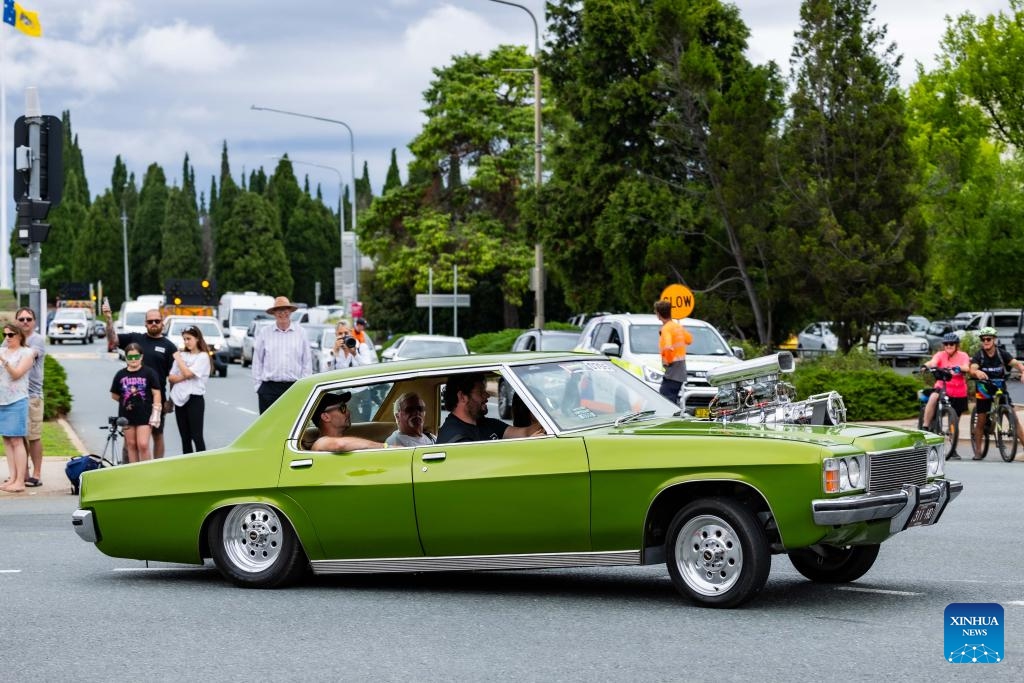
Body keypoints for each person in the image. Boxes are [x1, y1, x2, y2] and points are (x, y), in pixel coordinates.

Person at [103, 302, 177, 458]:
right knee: (130, 441)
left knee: (157, 435)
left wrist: (171, 400)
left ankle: (156, 467)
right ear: (146, 323)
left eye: (157, 321)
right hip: (133, 402)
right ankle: (127, 468)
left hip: (157, 399)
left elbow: (173, 377)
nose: (154, 324)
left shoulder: (169, 346)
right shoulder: (134, 339)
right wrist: (109, 318)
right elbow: (113, 340)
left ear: (162, 322)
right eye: (150, 321)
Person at [437, 373, 544, 443]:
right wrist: (529, 444)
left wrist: (554, 421)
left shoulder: (487, 424)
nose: (487, 396)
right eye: (481, 392)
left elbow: (524, 433)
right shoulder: (455, 437)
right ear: (462, 397)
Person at [969, 326, 1024, 459]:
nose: (985, 341)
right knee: (981, 419)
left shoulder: (1001, 354)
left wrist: (1023, 371)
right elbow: (972, 368)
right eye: (983, 339)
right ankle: (978, 450)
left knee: (1014, 418)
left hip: (1000, 386)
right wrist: (976, 372)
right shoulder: (979, 355)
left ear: (994, 340)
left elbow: (1016, 364)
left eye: (988, 339)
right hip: (984, 388)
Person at [251, 296, 312, 413]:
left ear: (290, 312)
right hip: (269, 388)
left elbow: (307, 362)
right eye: (279, 310)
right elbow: (257, 361)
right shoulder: (265, 332)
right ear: (274, 313)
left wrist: (304, 386)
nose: (283, 313)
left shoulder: (301, 333)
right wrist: (258, 386)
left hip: (294, 387)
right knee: (268, 427)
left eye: (285, 310)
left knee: (292, 426)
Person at [0, 322, 38, 493]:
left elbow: (16, 374)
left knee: (17, 440)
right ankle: (13, 478)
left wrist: (4, 361)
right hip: (2, 400)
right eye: (4, 335)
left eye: (10, 335)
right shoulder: (3, 351)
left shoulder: (27, 353)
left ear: (19, 336)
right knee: (7, 440)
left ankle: (21, 481)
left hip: (17, 400)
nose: (7, 338)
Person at [920, 332, 970, 460]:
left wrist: (959, 368)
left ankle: (952, 449)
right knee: (933, 397)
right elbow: (933, 362)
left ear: (956, 345)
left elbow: (966, 366)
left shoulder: (963, 355)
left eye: (951, 344)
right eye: (946, 344)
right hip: (942, 387)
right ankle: (925, 427)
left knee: (955, 422)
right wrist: (926, 366)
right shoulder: (940, 355)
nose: (949, 346)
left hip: (958, 392)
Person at [110, 342, 162, 463]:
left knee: (143, 444)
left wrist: (156, 412)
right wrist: (127, 402)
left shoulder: (149, 373)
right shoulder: (120, 374)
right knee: (131, 445)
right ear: (126, 357)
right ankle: (134, 472)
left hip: (145, 415)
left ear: (141, 357)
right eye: (130, 357)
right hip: (126, 416)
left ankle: (146, 472)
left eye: (136, 357)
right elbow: (114, 395)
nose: (133, 360)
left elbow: (156, 393)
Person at [168, 326, 210, 453]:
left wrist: (179, 360)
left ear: (197, 338)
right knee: (184, 437)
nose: (186, 342)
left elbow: (188, 374)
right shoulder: (183, 354)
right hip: (179, 399)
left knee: (197, 436)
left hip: (194, 399)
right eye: (184, 339)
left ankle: (203, 464)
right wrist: (185, 373)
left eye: (189, 339)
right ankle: (187, 466)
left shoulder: (203, 356)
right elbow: (171, 377)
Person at [15, 307, 45, 487]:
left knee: (33, 436)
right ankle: (22, 474)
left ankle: (37, 473)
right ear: (16, 321)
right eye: (21, 319)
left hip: (32, 395)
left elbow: (30, 354)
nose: (25, 322)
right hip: (15, 396)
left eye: (28, 319)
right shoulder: (10, 339)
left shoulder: (37, 340)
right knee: (18, 436)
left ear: (34, 321)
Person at [310, 391, 385, 451]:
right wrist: (386, 447)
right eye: (342, 408)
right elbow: (339, 445)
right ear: (325, 417)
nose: (348, 412)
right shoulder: (320, 443)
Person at [654, 299, 692, 406]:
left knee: (666, 400)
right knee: (671, 398)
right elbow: (689, 340)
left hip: (673, 370)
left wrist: (667, 361)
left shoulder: (666, 329)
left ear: (658, 314)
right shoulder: (677, 327)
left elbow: (668, 347)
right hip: (681, 369)